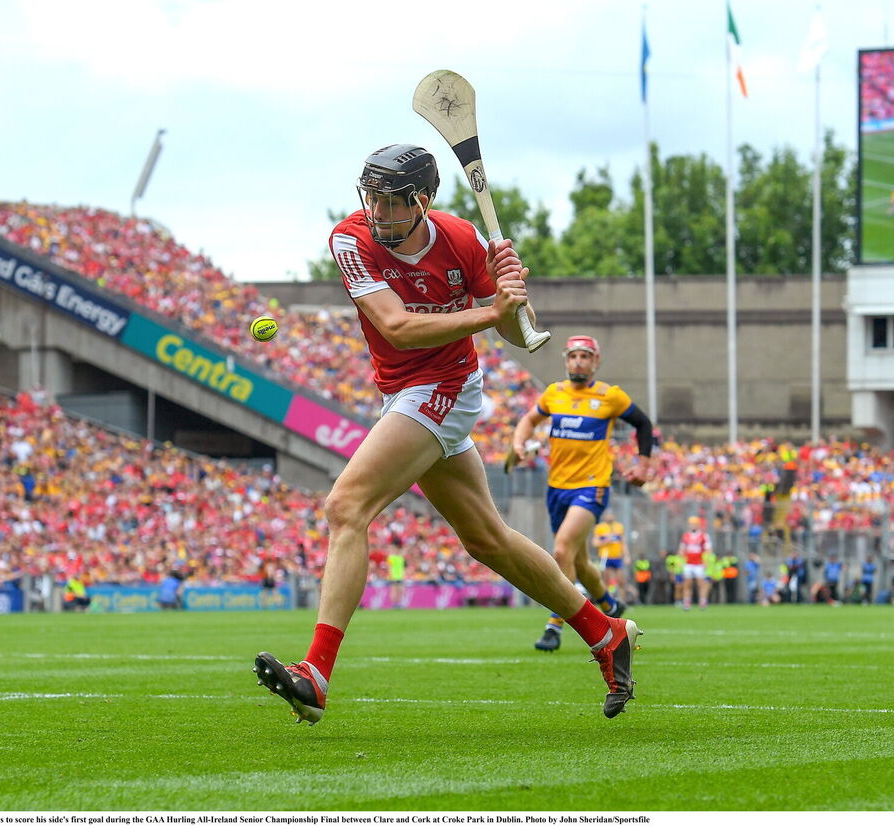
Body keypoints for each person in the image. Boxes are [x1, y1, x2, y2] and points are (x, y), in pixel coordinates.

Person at [253, 144, 641, 724]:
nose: (378, 211)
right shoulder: (349, 239)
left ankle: (315, 674)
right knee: (487, 539)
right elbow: (397, 327)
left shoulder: (461, 239)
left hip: (448, 386)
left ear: (423, 200)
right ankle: (605, 632)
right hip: (402, 387)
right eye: (372, 198)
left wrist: (510, 298)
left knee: (346, 506)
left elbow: (516, 335)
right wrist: (490, 313)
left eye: (391, 200)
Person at [511, 335, 655, 649]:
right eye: (573, 356)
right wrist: (519, 444)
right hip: (557, 488)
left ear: (596, 361)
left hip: (592, 486)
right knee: (579, 564)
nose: (578, 361)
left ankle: (554, 626)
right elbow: (529, 420)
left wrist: (643, 466)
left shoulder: (609, 396)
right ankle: (609, 605)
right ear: (566, 360)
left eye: (585, 356)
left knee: (561, 550)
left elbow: (643, 425)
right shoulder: (554, 393)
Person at [593, 511, 628, 605]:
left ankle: (622, 603)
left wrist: (627, 556)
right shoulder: (600, 527)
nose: (610, 516)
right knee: (605, 581)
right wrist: (606, 542)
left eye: (611, 514)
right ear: (604, 516)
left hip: (617, 557)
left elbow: (623, 543)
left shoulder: (619, 527)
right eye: (608, 515)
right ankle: (608, 604)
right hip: (605, 557)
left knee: (621, 581)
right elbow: (595, 543)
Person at [678, 516, 712, 610]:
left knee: (701, 583)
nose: (692, 525)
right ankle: (687, 602)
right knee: (687, 583)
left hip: (699, 563)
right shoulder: (686, 536)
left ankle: (703, 601)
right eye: (691, 524)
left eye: (694, 524)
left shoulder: (703, 536)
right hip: (688, 563)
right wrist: (680, 561)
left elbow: (708, 549)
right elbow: (682, 549)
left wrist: (707, 561)